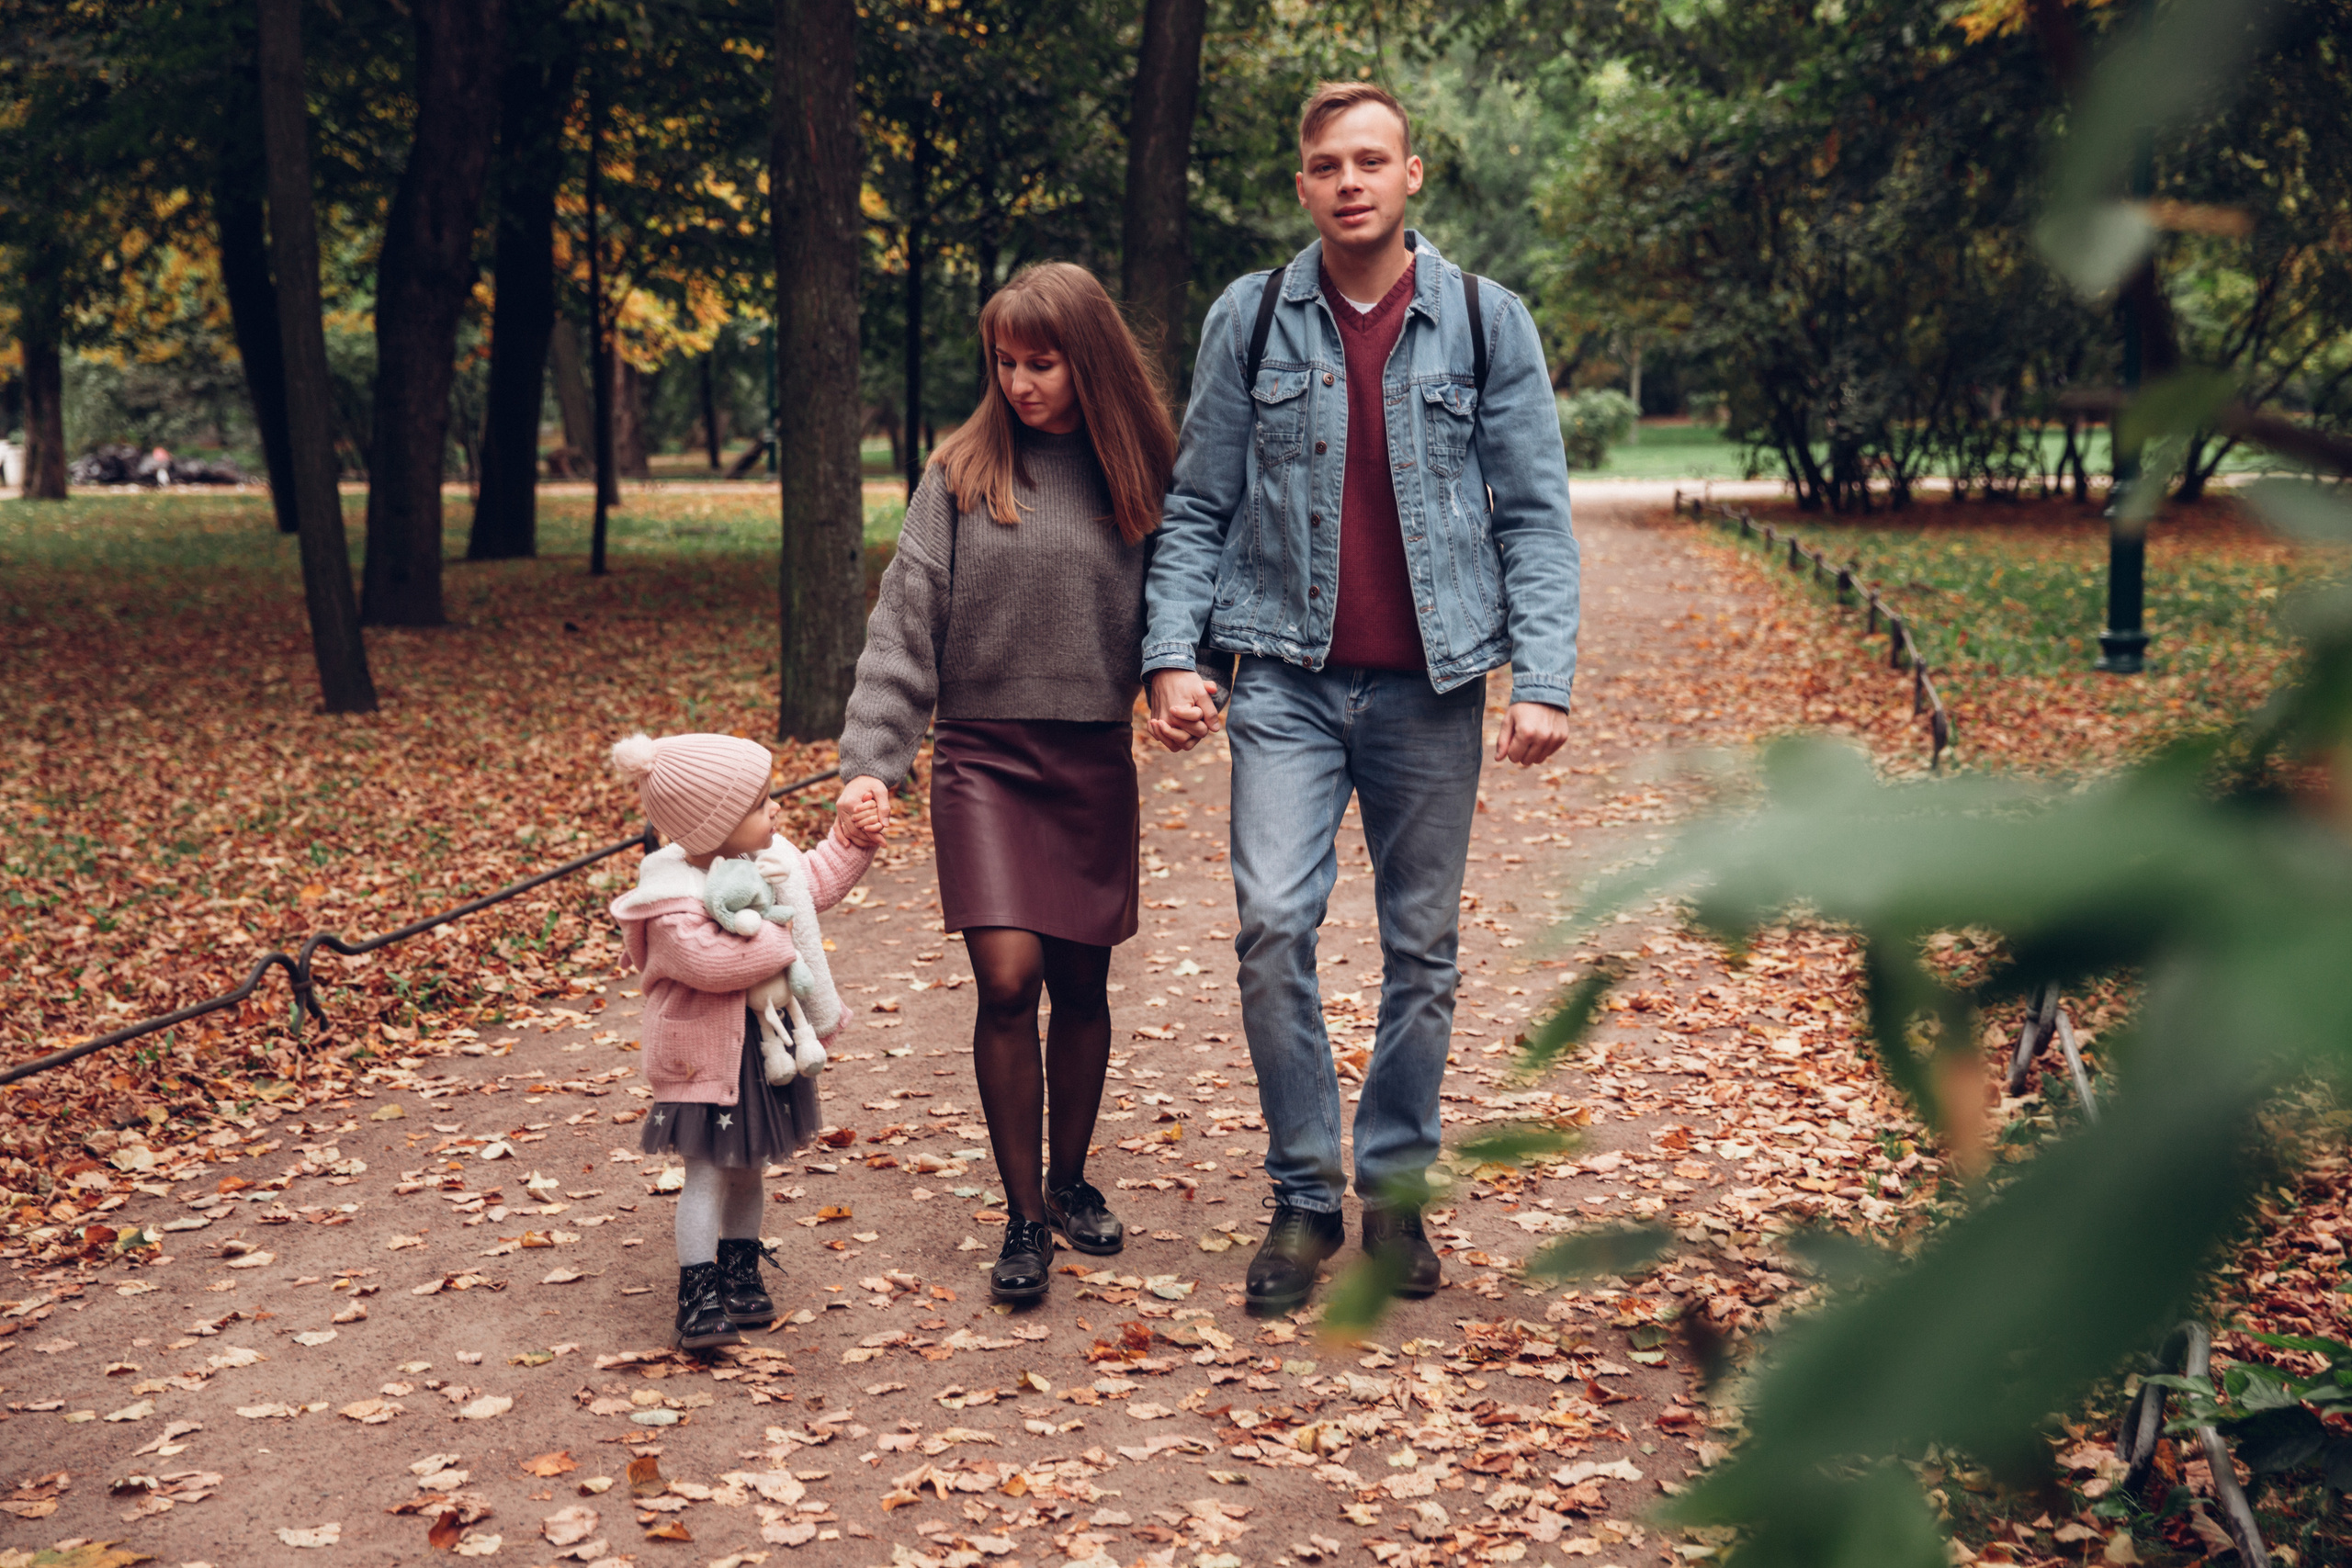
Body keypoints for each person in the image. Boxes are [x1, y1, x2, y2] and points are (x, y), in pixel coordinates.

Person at [1142, 82, 1580, 1315]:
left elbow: (1537, 513)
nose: (1351, 181)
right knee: (1273, 922)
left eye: (1371, 160)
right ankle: (1302, 1192)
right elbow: (1199, 505)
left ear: (1412, 175)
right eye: (1328, 163)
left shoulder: (1490, 325)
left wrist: (1540, 678)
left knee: (1420, 951)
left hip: (1432, 690)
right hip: (1281, 675)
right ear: (1303, 185)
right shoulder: (1253, 316)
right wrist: (1173, 656)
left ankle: (1394, 1183)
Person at [833, 262, 1180, 1304]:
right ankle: (1022, 1216)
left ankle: (1071, 1181)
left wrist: (1185, 686)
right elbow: (902, 626)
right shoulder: (960, 472)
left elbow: (1184, 608)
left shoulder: (1141, 474)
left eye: (1043, 362)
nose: (1022, 383)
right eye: (1006, 363)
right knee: (1005, 981)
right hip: (983, 758)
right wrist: (871, 766)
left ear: (1090, 360)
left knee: (1080, 986)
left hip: (1087, 759)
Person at [608, 731, 878, 1348]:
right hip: (703, 1061)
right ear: (714, 826)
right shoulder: (668, 897)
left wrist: (851, 841)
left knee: (750, 1172)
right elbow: (714, 961)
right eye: (761, 804)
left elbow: (814, 881)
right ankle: (696, 1294)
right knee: (706, 1174)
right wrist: (783, 938)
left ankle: (740, 1267)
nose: (775, 811)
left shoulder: (763, 861)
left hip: (759, 1058)